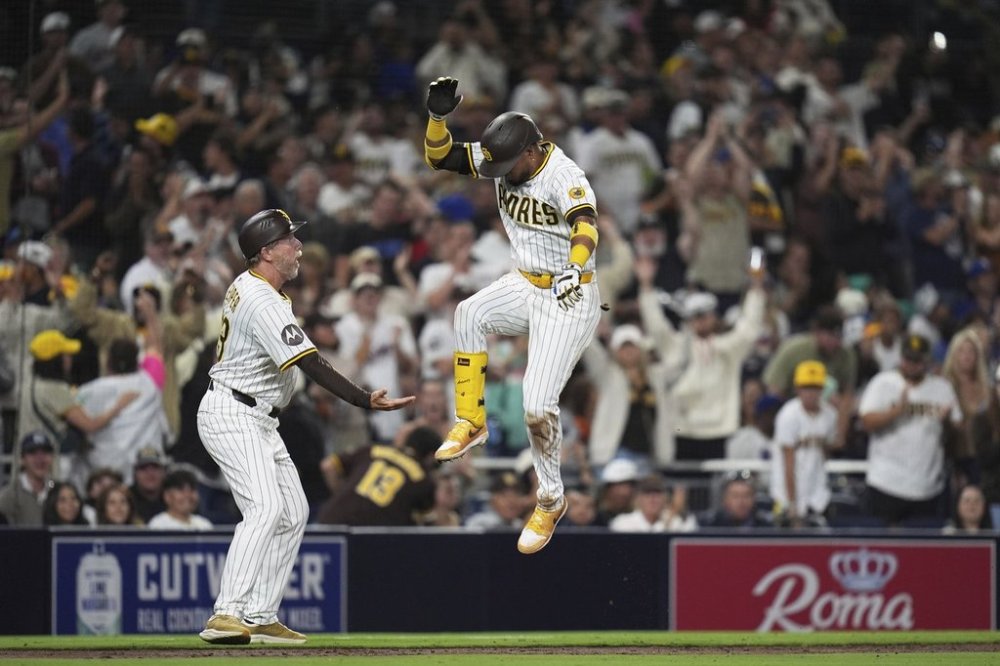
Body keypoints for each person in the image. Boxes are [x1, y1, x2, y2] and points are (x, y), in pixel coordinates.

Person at [196, 208, 413, 646]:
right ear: (266, 252)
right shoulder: (261, 300)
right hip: (233, 412)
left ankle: (259, 615)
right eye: (289, 241)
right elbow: (312, 363)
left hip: (256, 415)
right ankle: (226, 613)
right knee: (265, 509)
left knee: (293, 511)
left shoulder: (253, 285)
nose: (298, 248)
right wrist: (363, 399)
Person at [423, 76, 603, 555]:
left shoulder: (564, 175)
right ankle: (471, 421)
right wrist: (439, 119)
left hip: (570, 293)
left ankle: (550, 498)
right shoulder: (505, 157)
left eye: (507, 163)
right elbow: (441, 157)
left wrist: (577, 266)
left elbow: (587, 224)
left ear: (531, 149)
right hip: (526, 281)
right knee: (468, 312)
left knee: (537, 406)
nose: (498, 171)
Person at [859, 334, 962, 526]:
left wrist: (946, 422)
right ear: (901, 358)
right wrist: (896, 412)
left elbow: (956, 431)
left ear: (927, 361)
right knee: (884, 546)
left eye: (918, 360)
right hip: (886, 481)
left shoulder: (942, 388)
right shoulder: (883, 383)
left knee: (923, 550)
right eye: (908, 359)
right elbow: (866, 422)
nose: (912, 365)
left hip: (927, 485)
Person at [315, 425, 439, 526]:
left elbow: (328, 466)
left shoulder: (373, 449)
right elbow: (425, 523)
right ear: (430, 457)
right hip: (371, 536)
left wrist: (345, 495)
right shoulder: (422, 479)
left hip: (332, 518)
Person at [770, 361, 840, 527]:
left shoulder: (829, 414)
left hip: (817, 493)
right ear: (797, 389)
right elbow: (788, 462)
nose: (810, 393)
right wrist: (793, 504)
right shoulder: (788, 415)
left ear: (822, 389)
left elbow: (830, 449)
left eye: (815, 388)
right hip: (786, 495)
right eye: (806, 387)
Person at [0, 431, 56, 526]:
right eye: (33, 453)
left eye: (45, 452)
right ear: (22, 459)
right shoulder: (10, 495)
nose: (40, 459)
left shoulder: (56, 489)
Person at [609, 474, 697, 532]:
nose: (653, 498)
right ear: (638, 498)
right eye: (647, 493)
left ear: (665, 498)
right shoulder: (623, 521)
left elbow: (689, 530)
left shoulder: (677, 520)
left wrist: (676, 512)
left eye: (657, 493)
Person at [147, 467, 213, 531]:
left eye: (192, 489)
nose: (187, 495)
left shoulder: (205, 525)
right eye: (180, 489)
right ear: (167, 496)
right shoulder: (158, 525)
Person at [700, 474, 771, 528]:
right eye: (735, 496)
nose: (741, 501)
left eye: (746, 496)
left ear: (754, 499)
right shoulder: (710, 526)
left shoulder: (766, 527)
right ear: (725, 500)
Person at [129, 447, 167, 523]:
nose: (150, 473)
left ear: (163, 473)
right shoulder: (126, 499)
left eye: (155, 468)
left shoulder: (174, 499)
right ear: (135, 474)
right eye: (143, 468)